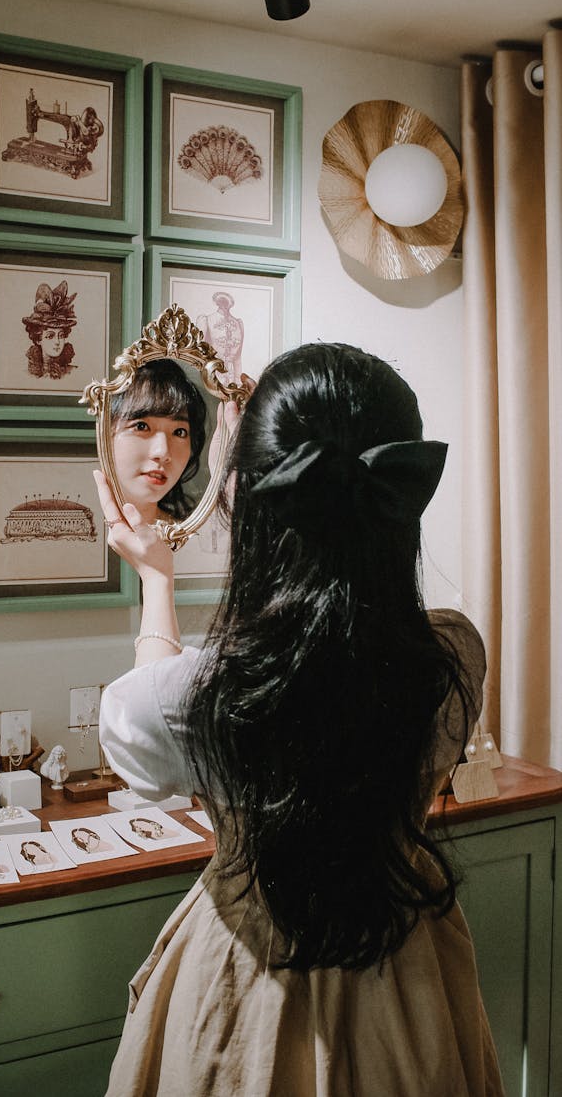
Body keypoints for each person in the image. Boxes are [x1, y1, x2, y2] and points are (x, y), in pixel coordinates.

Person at [95, 341, 504, 1097]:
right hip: (408, 973)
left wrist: (157, 576)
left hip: (242, 987)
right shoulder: (452, 657)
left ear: (249, 497)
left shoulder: (188, 699)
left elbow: (146, 708)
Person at [110, 359, 207, 525]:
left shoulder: (193, 542)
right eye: (141, 426)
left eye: (179, 432)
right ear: (105, 433)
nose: (162, 452)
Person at [21, 280, 77, 380]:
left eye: (61, 335)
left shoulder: (74, 372)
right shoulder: (26, 375)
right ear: (38, 339)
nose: (57, 342)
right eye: (50, 336)